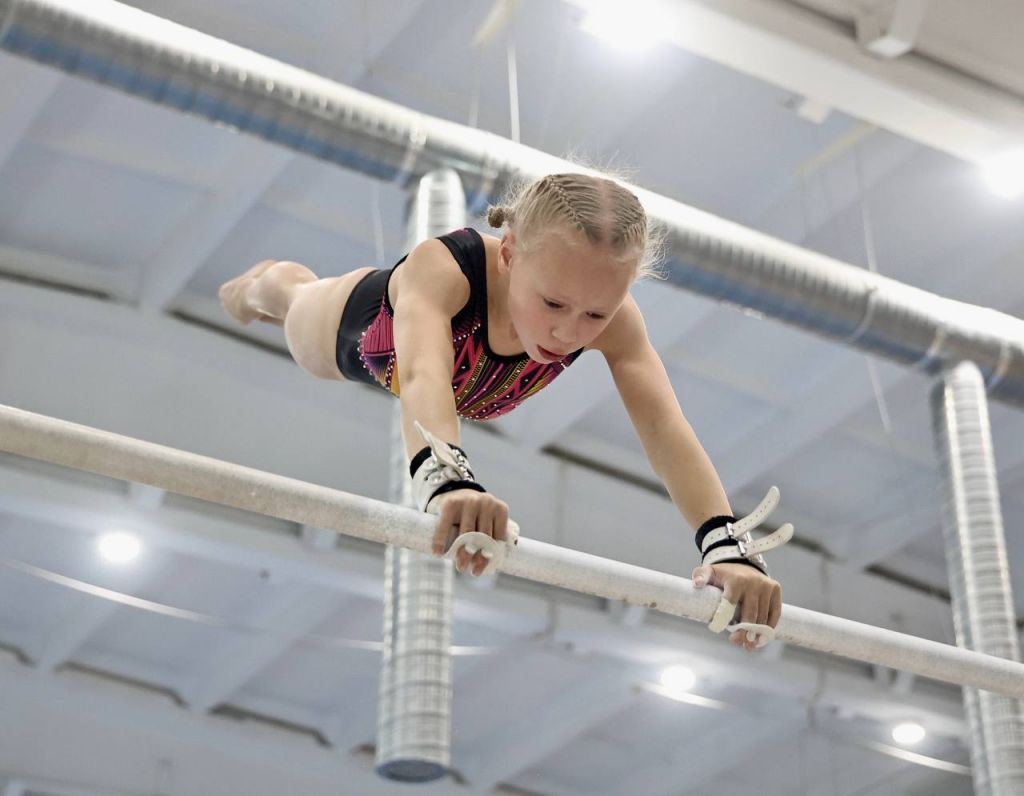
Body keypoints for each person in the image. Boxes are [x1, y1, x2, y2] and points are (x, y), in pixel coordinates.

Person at [219, 172, 785, 652]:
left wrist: (724, 544)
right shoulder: (442, 268)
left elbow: (664, 428)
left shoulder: (618, 324)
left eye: (595, 314)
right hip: (353, 331)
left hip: (460, 387)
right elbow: (422, 374)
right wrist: (445, 483)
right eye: (554, 303)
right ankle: (262, 286)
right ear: (510, 253)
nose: (569, 332)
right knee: (291, 300)